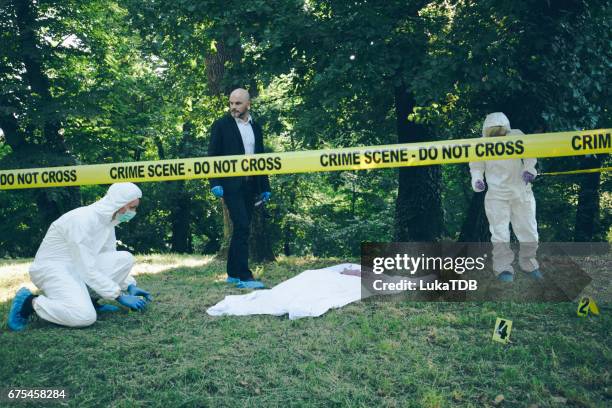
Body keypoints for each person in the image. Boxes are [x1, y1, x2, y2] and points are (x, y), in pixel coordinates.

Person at [7, 183, 152, 331]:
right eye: (133, 207)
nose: (134, 212)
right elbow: (87, 268)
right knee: (84, 317)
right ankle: (29, 302)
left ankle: (90, 300)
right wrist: (119, 296)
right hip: (53, 269)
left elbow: (107, 258)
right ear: (120, 204)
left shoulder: (108, 222)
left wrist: (129, 286)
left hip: (77, 268)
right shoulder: (82, 219)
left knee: (125, 258)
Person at [208, 88, 271, 289]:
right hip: (230, 186)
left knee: (242, 229)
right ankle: (245, 275)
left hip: (250, 185)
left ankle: (233, 273)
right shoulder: (220, 126)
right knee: (243, 225)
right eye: (231, 103)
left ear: (248, 104)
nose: (233, 107)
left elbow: (260, 159)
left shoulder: (256, 127)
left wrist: (264, 186)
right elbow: (212, 156)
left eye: (238, 103)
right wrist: (215, 183)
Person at [469, 112, 542, 282]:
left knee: (529, 231)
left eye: (499, 131)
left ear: (505, 128)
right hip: (496, 195)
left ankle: (529, 264)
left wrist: (529, 170)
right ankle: (503, 269)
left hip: (521, 192)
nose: (497, 135)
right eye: (493, 132)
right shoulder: (480, 144)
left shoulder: (517, 136)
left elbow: (530, 155)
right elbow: (476, 166)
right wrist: (477, 180)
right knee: (500, 234)